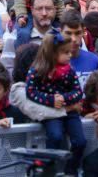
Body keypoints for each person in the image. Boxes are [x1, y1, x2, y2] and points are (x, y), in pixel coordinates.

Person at [25, 31, 87, 175]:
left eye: (69, 52)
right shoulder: (36, 71)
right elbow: (30, 92)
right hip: (51, 113)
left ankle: (71, 170)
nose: (70, 55)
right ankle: (48, 170)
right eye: (65, 52)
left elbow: (78, 91)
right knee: (55, 136)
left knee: (80, 142)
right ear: (52, 53)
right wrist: (50, 100)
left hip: (69, 111)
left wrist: (64, 98)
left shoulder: (69, 70)